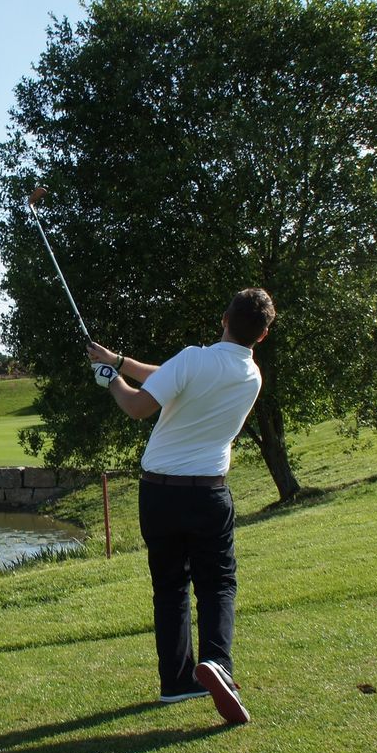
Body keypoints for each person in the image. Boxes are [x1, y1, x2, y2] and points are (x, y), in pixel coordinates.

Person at [86, 288, 275, 725]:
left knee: (171, 588)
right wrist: (118, 361)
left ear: (223, 318)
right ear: (261, 336)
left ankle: (176, 682)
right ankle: (217, 666)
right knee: (217, 585)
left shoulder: (193, 358)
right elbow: (170, 377)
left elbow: (138, 404)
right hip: (208, 494)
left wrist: (111, 379)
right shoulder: (252, 375)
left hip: (159, 494)